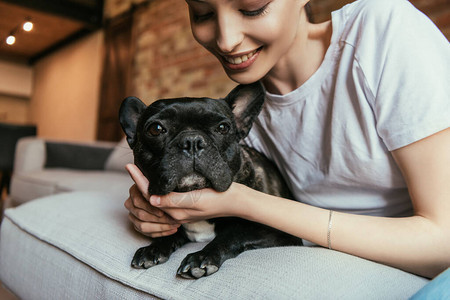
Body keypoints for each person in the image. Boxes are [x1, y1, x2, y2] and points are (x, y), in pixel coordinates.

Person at [124, 0, 450, 279]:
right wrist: (153, 208)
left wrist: (245, 201)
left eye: (253, 8)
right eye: (202, 13)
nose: (227, 39)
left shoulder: (382, 30)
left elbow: (443, 243)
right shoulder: (242, 121)